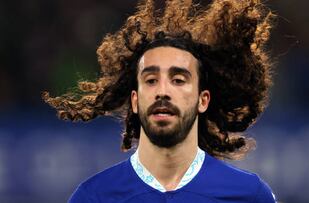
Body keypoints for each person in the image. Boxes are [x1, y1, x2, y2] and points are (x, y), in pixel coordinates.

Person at [43, 0, 276, 202]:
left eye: (178, 79)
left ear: (202, 100)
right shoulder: (93, 197)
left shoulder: (249, 195)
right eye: (151, 80)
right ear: (134, 101)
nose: (162, 91)